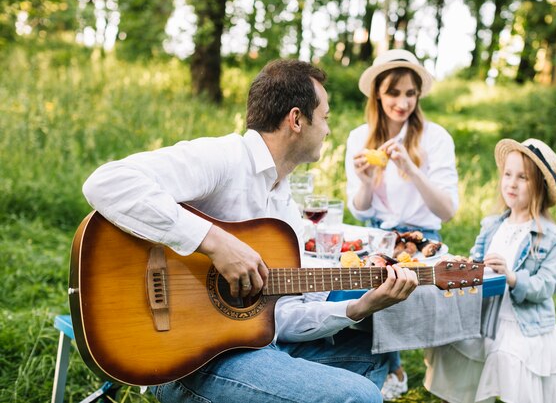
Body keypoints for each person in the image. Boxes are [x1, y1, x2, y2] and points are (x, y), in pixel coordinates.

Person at [82, 59, 419, 403]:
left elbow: (278, 317)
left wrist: (360, 307)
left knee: (373, 352)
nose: (328, 130)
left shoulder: (285, 206)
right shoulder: (225, 158)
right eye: (325, 118)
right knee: (359, 396)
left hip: (248, 345)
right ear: (297, 119)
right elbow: (106, 182)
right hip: (182, 358)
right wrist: (215, 244)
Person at [423, 138, 556, 403]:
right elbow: (478, 264)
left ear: (540, 188)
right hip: (485, 315)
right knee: (450, 343)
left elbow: (547, 285)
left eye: (523, 178)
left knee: (507, 359)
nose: (512, 183)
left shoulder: (550, 236)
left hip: (520, 322)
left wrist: (512, 277)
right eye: (508, 174)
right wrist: (469, 266)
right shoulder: (492, 225)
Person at [345, 49, 459, 399]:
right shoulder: (358, 137)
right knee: (355, 286)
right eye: (394, 93)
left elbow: (448, 210)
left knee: (398, 285)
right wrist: (365, 182)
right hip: (378, 236)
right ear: (378, 93)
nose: (402, 102)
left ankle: (406, 367)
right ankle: (385, 366)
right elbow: (360, 210)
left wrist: (411, 168)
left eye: (410, 93)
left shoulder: (435, 137)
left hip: (423, 240)